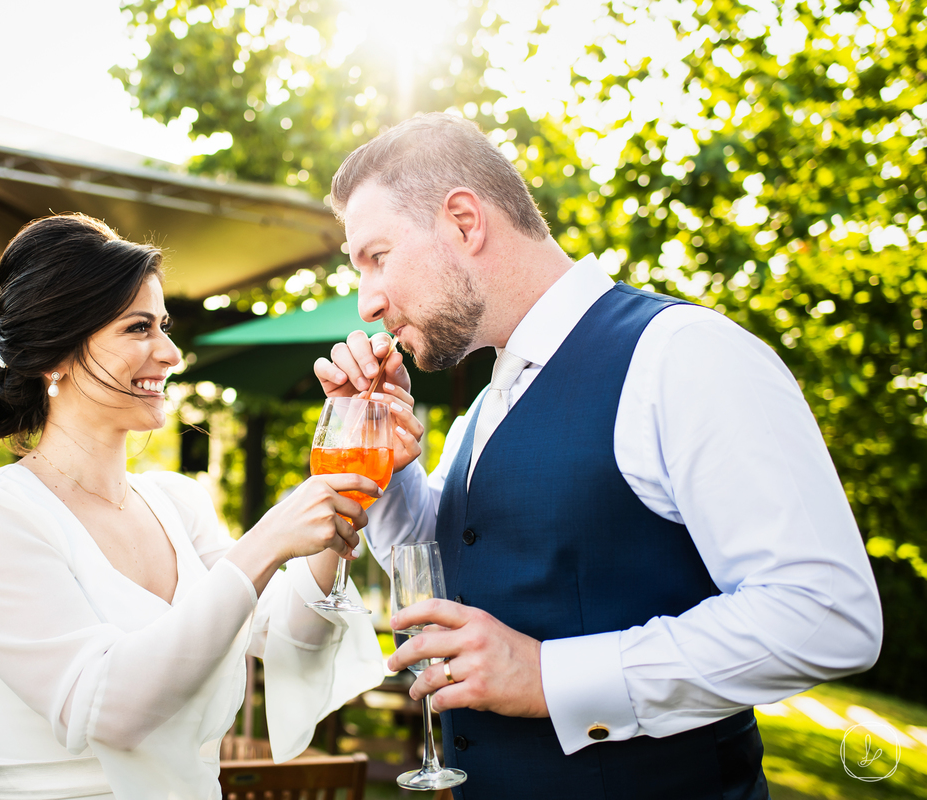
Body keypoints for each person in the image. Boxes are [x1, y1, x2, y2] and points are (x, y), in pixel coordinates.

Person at [314, 113, 884, 799]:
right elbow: (440, 576)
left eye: (377, 256)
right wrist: (391, 455)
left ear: (464, 222)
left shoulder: (684, 354)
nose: (367, 302)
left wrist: (551, 677)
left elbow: (828, 614)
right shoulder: (482, 414)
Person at [0, 213, 386, 800]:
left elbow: (285, 631)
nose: (171, 352)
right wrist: (267, 541)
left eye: (164, 326)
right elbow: (107, 712)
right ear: (57, 355)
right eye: (138, 328)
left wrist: (344, 472)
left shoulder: (176, 502)